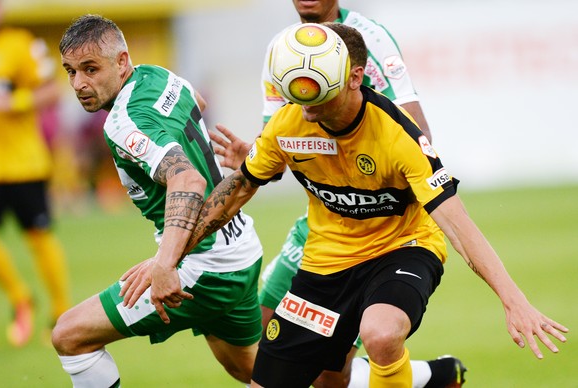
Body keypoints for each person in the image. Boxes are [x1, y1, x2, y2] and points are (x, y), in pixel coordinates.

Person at [172, 22, 567, 387]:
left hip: (404, 248)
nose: (307, 108)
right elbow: (238, 188)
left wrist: (514, 302)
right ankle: (436, 376)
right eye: (299, 96)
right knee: (321, 378)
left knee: (380, 334)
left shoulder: (398, 137)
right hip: (327, 261)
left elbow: (458, 224)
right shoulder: (289, 124)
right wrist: (167, 259)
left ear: (355, 78)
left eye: (319, 94)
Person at [208, 1, 463, 386]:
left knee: (334, 368)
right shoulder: (283, 50)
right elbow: (279, 144)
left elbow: (418, 131)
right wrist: (257, 157)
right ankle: (430, 376)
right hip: (323, 219)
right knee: (265, 333)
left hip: (379, 226)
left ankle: (432, 375)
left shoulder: (369, 38)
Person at [53, 14, 264, 387]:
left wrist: (165, 264)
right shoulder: (159, 76)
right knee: (254, 372)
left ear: (121, 62)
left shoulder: (123, 124)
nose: (79, 83)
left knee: (69, 336)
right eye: (70, 71)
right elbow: (194, 101)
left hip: (202, 267)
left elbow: (188, 179)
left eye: (90, 69)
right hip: (240, 248)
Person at [0, 0, 70, 347]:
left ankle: (61, 311)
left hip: (24, 163)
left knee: (39, 237)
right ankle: (20, 298)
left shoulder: (21, 43)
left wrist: (16, 102)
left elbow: (54, 89)